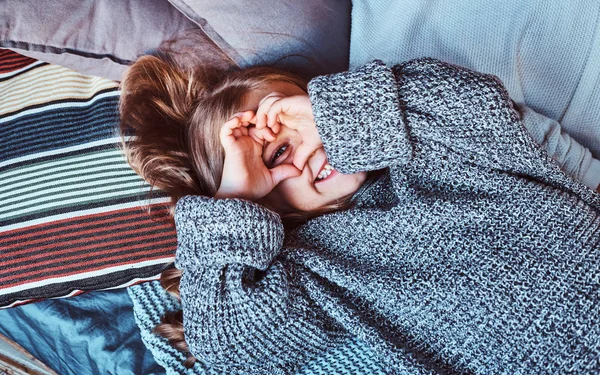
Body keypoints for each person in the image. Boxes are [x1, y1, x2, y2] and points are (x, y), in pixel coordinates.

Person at [119, 44, 600, 374]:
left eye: (298, 119)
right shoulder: (308, 266)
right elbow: (229, 347)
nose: (306, 146)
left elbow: (480, 106)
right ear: (264, 204)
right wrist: (234, 200)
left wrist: (338, 115)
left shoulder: (420, 136)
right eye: (276, 157)